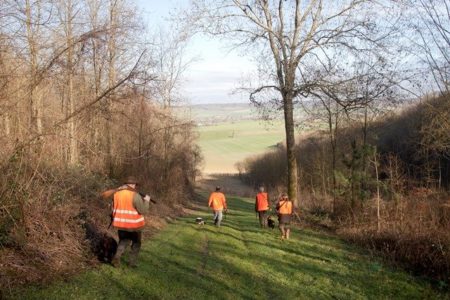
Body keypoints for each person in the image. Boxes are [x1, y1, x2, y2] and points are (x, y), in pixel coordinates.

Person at [107, 176, 151, 267]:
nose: (135, 186)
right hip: (134, 225)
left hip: (121, 224)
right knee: (136, 243)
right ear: (132, 185)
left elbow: (112, 208)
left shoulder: (116, 194)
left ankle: (116, 258)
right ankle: (132, 263)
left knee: (123, 241)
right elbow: (143, 210)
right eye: (134, 184)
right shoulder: (135, 195)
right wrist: (147, 201)